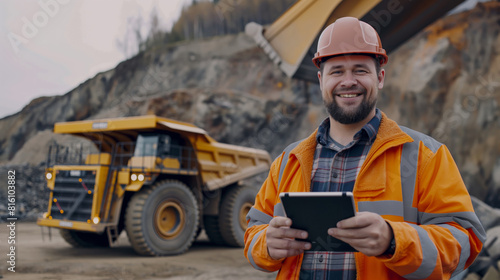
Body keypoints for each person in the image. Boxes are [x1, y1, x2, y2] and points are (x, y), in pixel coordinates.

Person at [244, 17, 485, 280]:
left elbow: (464, 242)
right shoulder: (289, 161)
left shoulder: (425, 156)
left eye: (360, 70)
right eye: (336, 71)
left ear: (379, 78)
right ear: (321, 80)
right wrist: (266, 244)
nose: (348, 81)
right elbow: (254, 230)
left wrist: (393, 240)